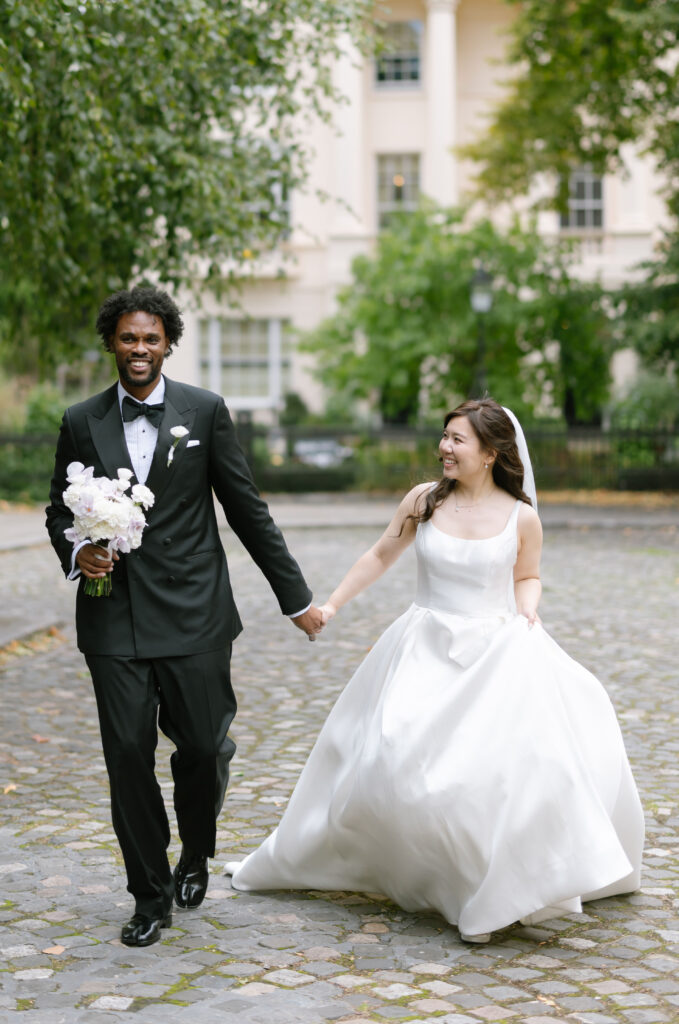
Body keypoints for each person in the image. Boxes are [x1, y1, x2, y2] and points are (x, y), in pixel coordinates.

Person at [225, 398, 644, 942]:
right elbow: (380, 554)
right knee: (391, 758)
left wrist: (528, 607)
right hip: (423, 645)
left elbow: (528, 575)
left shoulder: (522, 517)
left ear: (490, 453)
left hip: (495, 653)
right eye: (445, 437)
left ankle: (482, 893)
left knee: (484, 779)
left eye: (457, 440)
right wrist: (331, 605)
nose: (445, 448)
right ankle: (417, 869)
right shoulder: (423, 501)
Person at [46, 286, 323, 947]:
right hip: (112, 617)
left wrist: (297, 599)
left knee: (201, 746)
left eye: (150, 338)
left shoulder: (205, 410)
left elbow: (246, 509)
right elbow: (59, 509)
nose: (138, 349)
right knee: (126, 757)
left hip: (194, 610)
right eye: (126, 338)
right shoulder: (81, 419)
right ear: (110, 343)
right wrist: (80, 548)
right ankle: (149, 895)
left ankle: (195, 851)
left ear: (168, 343)